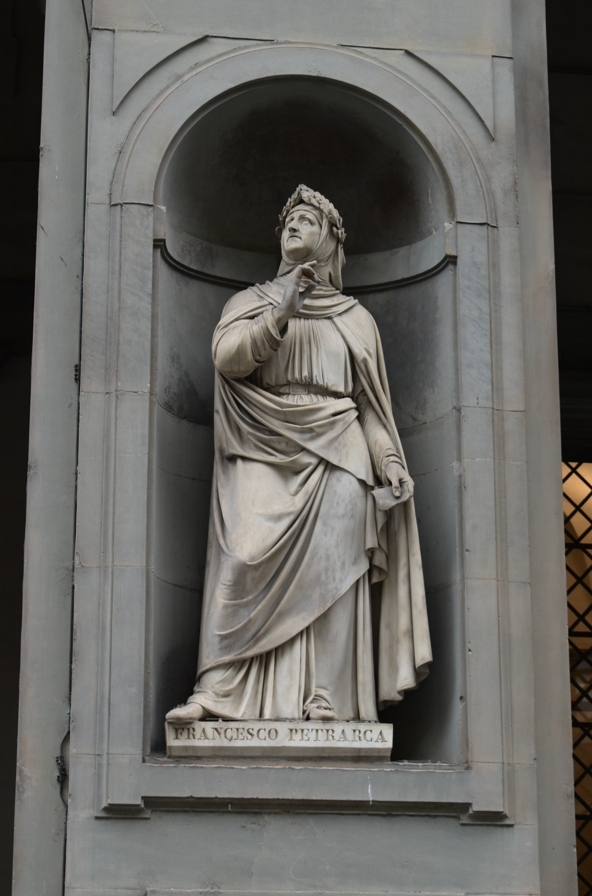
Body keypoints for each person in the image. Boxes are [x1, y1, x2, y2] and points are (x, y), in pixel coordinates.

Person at [166, 185, 431, 723]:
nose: (294, 226)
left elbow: (370, 407)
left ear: (330, 240)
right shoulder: (250, 302)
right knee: (242, 555)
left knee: (336, 570)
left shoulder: (356, 319)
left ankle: (326, 695)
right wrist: (282, 311)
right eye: (290, 220)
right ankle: (219, 690)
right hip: (262, 444)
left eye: (308, 220)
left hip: (340, 451)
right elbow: (227, 358)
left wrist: (390, 461)